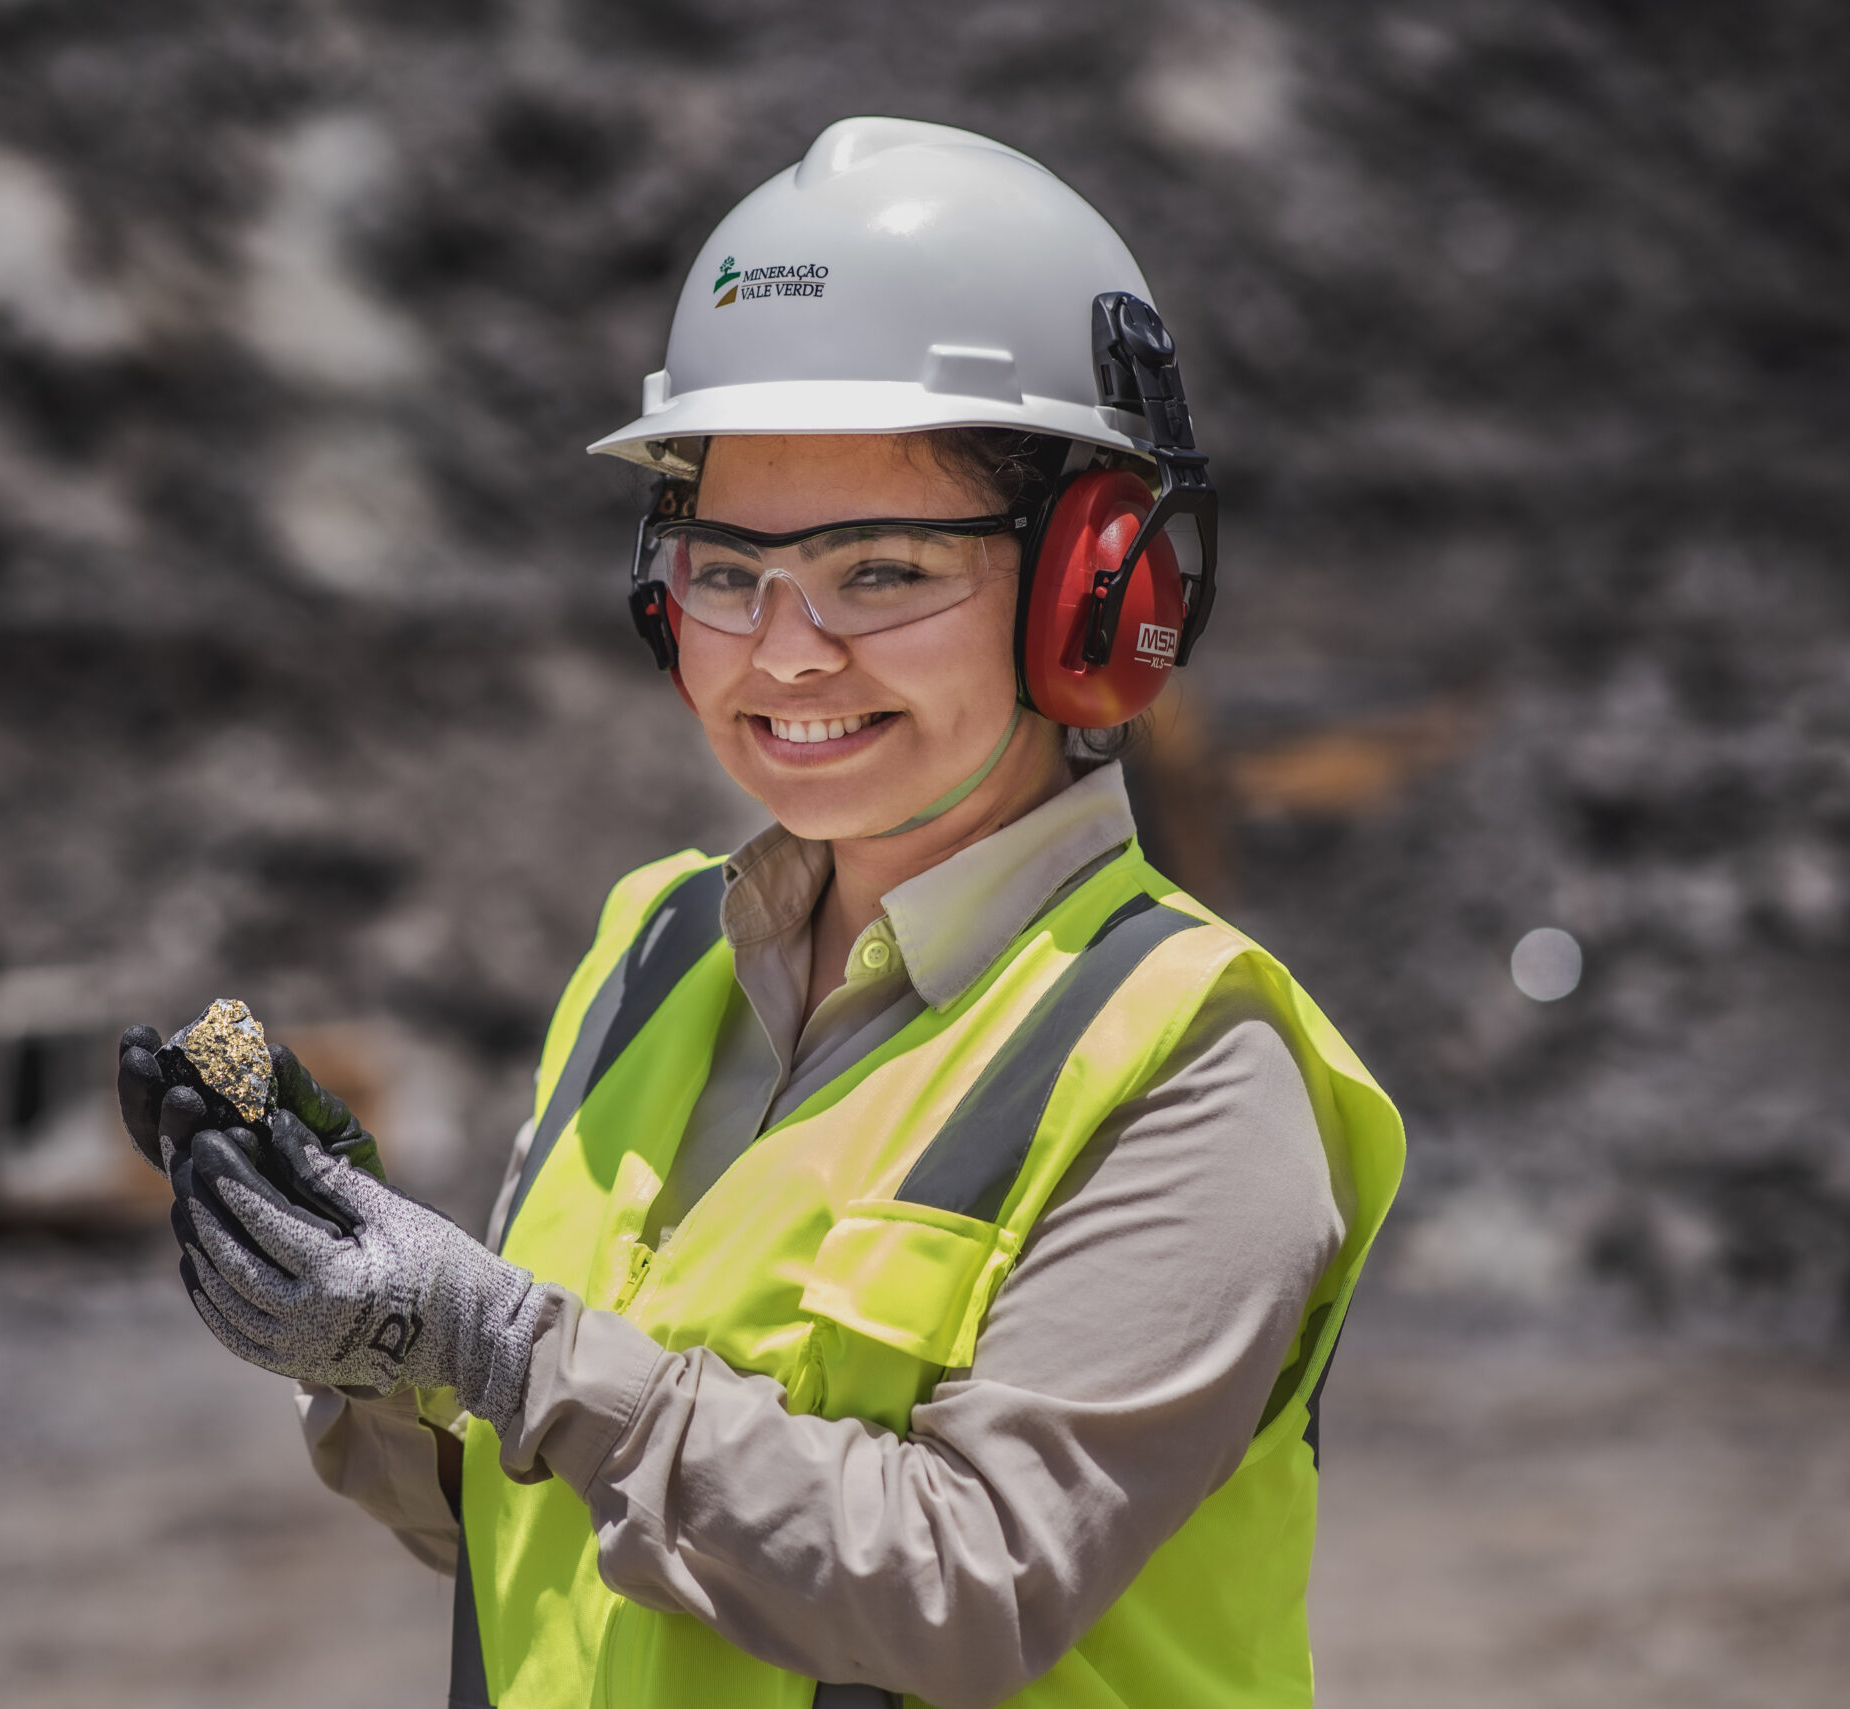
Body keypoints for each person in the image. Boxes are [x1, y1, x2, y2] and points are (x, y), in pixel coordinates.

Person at [120, 117, 1403, 1709]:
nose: (784, 651)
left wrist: (498, 1342)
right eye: (727, 570)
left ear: (1096, 587)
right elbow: (532, 1524)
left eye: (879, 571)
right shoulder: (658, 950)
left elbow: (969, 1590)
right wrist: (366, 1339)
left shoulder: (1194, 1066)